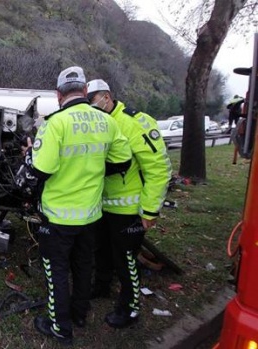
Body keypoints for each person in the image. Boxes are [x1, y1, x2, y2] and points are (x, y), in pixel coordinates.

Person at [17, 67, 132, 345]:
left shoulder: (55, 123)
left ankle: (60, 326)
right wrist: (91, 170)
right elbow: (123, 160)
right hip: (91, 214)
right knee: (83, 265)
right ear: (84, 91)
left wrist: (31, 155)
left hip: (58, 217)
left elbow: (37, 173)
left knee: (56, 269)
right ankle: (79, 314)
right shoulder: (106, 121)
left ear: (59, 95)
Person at [87, 79, 172, 328]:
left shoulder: (136, 122)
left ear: (107, 96)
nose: (94, 108)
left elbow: (159, 169)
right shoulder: (93, 122)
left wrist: (149, 210)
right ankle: (101, 287)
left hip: (128, 208)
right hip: (100, 206)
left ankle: (130, 308)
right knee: (101, 252)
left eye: (95, 102)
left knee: (125, 260)